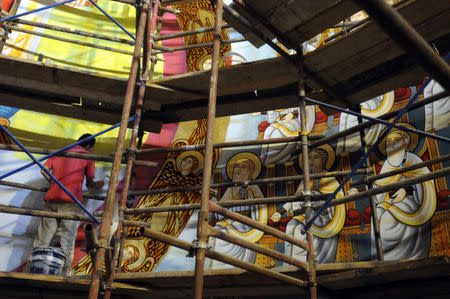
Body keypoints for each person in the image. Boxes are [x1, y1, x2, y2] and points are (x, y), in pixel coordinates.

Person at [31, 133, 103, 274]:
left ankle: (33, 269)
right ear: (88, 146)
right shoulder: (87, 157)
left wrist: (54, 183)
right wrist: (99, 184)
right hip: (71, 203)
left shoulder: (61, 152)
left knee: (43, 239)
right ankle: (64, 272)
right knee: (67, 240)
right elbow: (89, 184)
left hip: (52, 200)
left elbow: (43, 169)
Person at [270, 145, 350, 263]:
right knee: (290, 226)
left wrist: (315, 195)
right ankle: (289, 263)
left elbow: (336, 199)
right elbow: (295, 199)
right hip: (306, 214)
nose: (311, 161)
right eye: (309, 158)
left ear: (323, 161)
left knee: (300, 232)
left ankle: (302, 264)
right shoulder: (306, 179)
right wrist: (279, 212)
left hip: (323, 218)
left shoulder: (329, 178)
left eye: (316, 157)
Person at [371, 124, 436, 260]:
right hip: (392, 200)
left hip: (414, 202)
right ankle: (383, 259)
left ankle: (407, 255)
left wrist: (405, 189)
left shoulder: (413, 160)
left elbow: (424, 183)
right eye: (389, 142)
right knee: (377, 214)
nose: (393, 145)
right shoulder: (387, 165)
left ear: (405, 143)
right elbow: (380, 188)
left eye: (397, 141)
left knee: (389, 218)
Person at [206, 152, 268, 269]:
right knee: (217, 230)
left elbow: (261, 211)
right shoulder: (231, 189)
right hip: (227, 223)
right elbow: (220, 215)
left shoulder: (253, 187)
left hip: (244, 225)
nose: (238, 170)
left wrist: (250, 198)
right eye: (236, 167)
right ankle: (214, 268)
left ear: (250, 172)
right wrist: (213, 200)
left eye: (243, 167)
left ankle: (225, 268)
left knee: (222, 232)